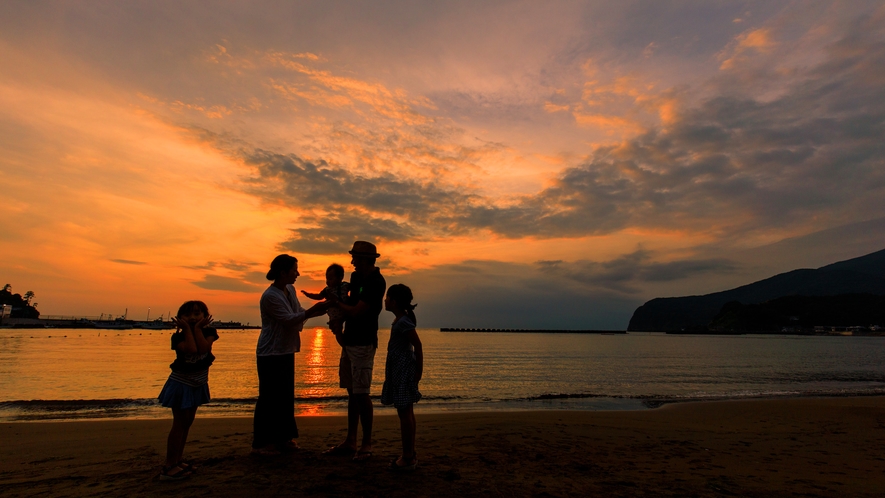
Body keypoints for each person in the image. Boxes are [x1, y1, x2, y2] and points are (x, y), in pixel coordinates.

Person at [253, 254, 328, 456]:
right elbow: (288, 319)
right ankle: (262, 442)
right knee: (269, 398)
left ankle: (283, 438)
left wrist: (316, 311)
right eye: (294, 269)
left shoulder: (290, 290)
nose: (298, 273)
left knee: (284, 397)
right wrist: (313, 311)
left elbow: (298, 312)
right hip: (270, 352)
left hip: (285, 350)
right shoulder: (270, 296)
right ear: (283, 272)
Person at [324, 241, 386, 462]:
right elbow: (349, 303)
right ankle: (351, 440)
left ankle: (366, 443)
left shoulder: (376, 281)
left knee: (361, 393)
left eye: (355, 259)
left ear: (365, 260)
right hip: (350, 340)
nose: (352, 262)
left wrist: (335, 305)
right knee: (352, 391)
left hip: (363, 342)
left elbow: (359, 311)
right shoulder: (357, 278)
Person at [157, 300, 218, 480]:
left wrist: (198, 330)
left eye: (197, 314)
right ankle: (169, 466)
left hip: (198, 384)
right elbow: (192, 350)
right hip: (181, 384)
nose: (192, 317)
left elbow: (204, 348)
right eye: (187, 314)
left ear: (205, 316)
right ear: (180, 318)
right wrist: (192, 330)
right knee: (179, 424)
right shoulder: (178, 337)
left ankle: (177, 460)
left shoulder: (210, 333)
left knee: (187, 423)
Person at [380, 284, 423, 471]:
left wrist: (418, 372)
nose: (385, 300)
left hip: (403, 370)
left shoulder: (403, 322)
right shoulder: (400, 320)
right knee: (406, 412)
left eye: (387, 297)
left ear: (394, 301)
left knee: (404, 413)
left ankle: (407, 457)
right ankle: (409, 454)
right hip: (399, 369)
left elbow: (418, 346)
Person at [301, 263, 350, 340]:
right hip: (334, 316)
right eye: (327, 279)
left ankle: (347, 345)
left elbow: (356, 289)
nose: (328, 281)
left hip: (346, 312)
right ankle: (345, 346)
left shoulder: (345, 285)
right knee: (337, 331)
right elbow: (319, 296)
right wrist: (309, 295)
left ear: (340, 278)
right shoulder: (327, 290)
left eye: (330, 279)